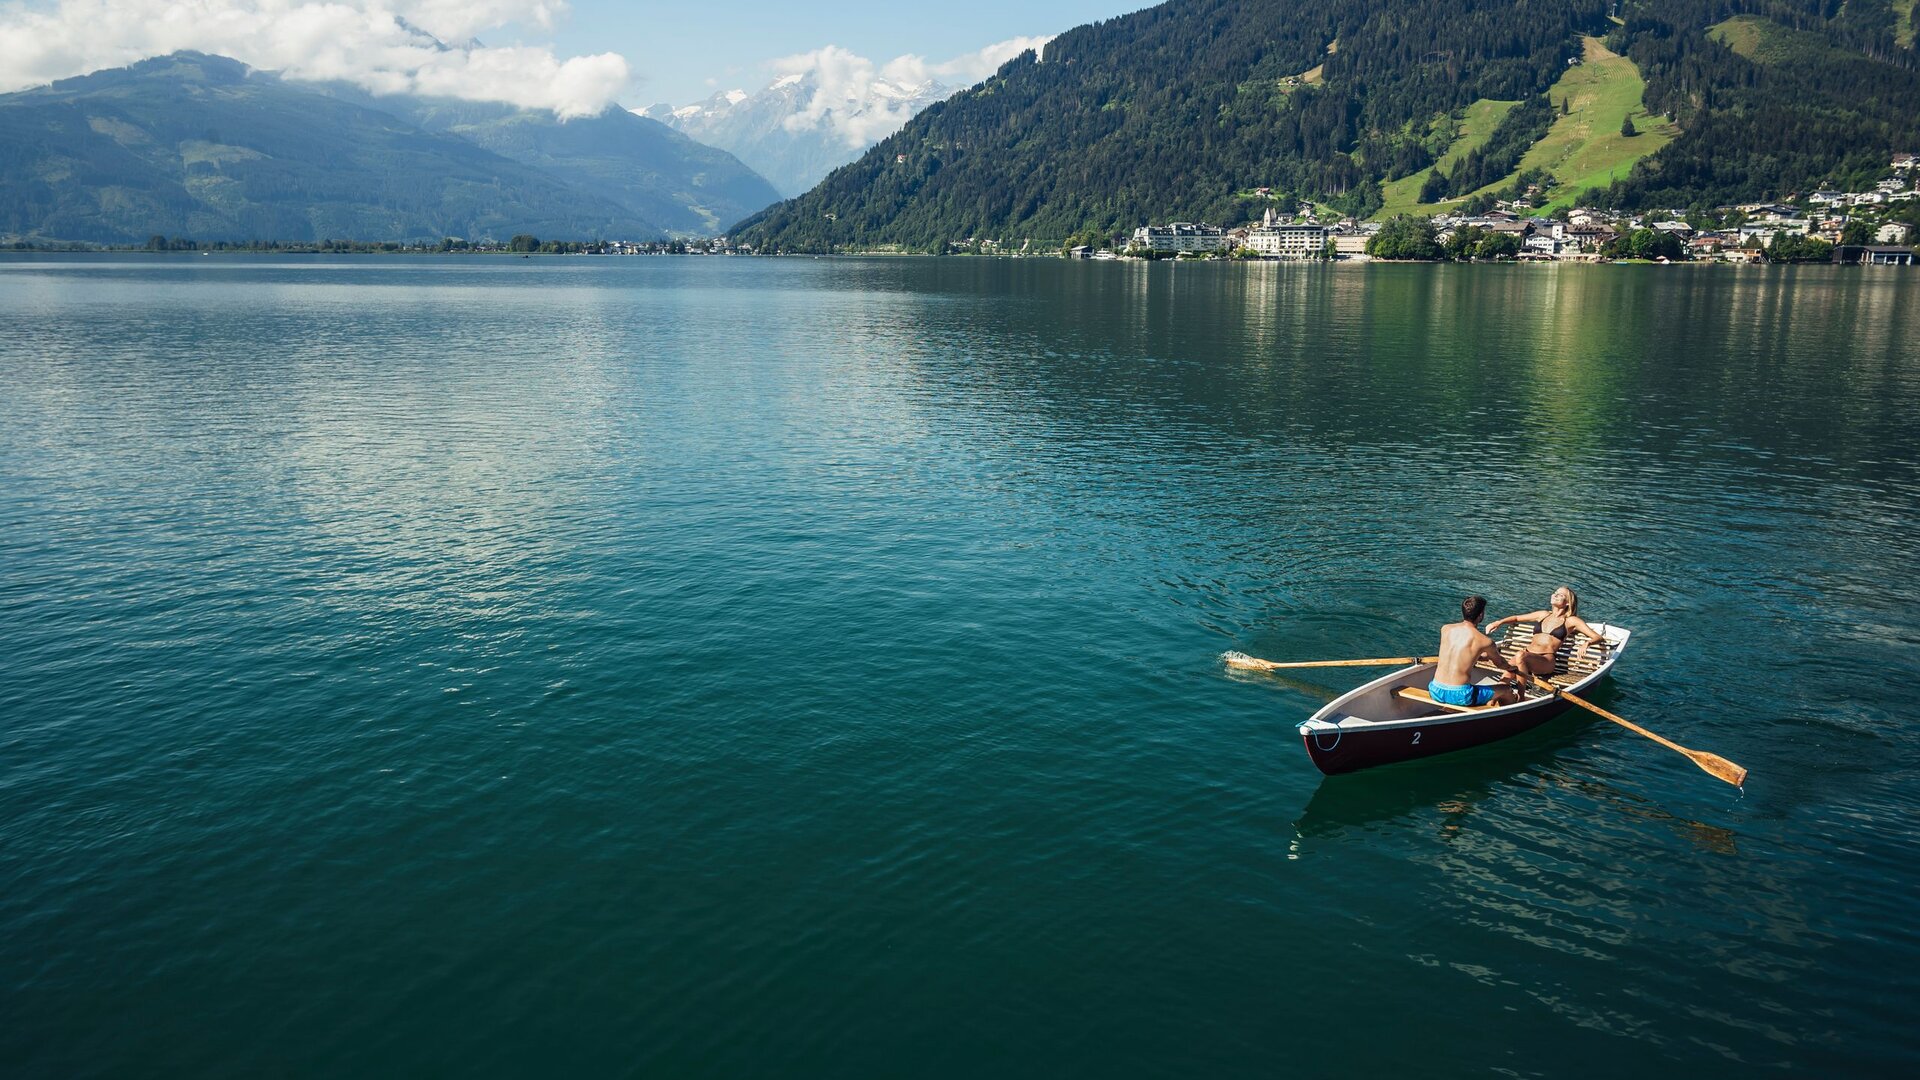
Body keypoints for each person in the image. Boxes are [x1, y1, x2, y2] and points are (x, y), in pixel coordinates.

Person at [1431, 595, 1529, 707]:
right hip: (1461, 695)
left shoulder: (1445, 629)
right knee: (1506, 689)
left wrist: (1480, 657)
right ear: (1481, 615)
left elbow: (1460, 653)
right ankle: (1510, 712)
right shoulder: (1485, 641)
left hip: (1435, 690)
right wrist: (1512, 668)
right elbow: (1500, 664)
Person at [1488, 587, 1603, 681]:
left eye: (1560, 595)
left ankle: (1521, 696)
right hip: (1527, 655)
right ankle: (1498, 698)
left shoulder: (1571, 620)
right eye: (1555, 593)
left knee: (1520, 655)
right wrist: (1498, 622)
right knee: (1505, 677)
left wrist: (1587, 643)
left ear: (1568, 603)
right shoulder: (1543, 614)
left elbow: (1597, 637)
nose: (1555, 595)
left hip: (1545, 660)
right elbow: (1517, 618)